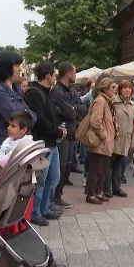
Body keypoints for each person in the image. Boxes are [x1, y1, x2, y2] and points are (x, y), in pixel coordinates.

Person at [24, 62, 66, 226]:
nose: (55, 78)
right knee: (40, 180)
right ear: (48, 76)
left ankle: (45, 207)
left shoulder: (47, 92)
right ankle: (35, 212)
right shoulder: (34, 93)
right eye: (54, 75)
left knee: (53, 177)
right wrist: (56, 131)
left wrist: (59, 128)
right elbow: (39, 120)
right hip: (40, 142)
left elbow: (51, 116)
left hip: (51, 142)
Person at [0, 51, 35, 156]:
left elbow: (32, 117)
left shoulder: (16, 89)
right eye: (16, 66)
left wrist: (26, 114)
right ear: (6, 68)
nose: (20, 69)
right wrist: (25, 113)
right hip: (1, 147)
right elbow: (17, 118)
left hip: (15, 146)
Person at [52, 62, 87, 208]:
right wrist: (73, 108)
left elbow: (83, 109)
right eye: (75, 72)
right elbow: (71, 112)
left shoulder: (71, 90)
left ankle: (58, 196)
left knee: (66, 168)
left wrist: (73, 108)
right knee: (60, 168)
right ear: (68, 74)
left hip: (72, 132)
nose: (76, 75)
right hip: (62, 134)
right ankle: (54, 198)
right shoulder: (57, 91)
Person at [85, 78, 117, 204]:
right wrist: (103, 135)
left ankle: (98, 192)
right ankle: (91, 194)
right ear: (105, 88)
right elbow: (95, 121)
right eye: (112, 88)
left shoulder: (107, 101)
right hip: (100, 141)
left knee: (103, 170)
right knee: (96, 170)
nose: (115, 90)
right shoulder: (101, 101)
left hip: (105, 142)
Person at [105, 80, 134, 198]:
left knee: (118, 164)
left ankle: (116, 188)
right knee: (109, 164)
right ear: (120, 90)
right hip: (113, 138)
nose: (128, 90)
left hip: (125, 139)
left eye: (129, 88)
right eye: (125, 88)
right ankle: (107, 188)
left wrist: (133, 141)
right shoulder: (113, 101)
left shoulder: (133, 104)